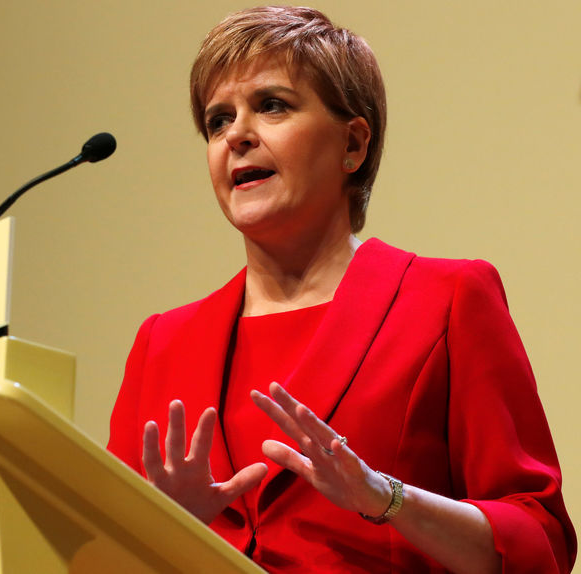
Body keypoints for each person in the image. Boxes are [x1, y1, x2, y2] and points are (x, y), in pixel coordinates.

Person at [107, 6, 576, 573]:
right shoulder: (162, 343)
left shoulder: (447, 299)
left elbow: (538, 542)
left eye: (271, 106)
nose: (237, 136)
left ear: (353, 144)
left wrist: (387, 500)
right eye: (217, 120)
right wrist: (155, 530)